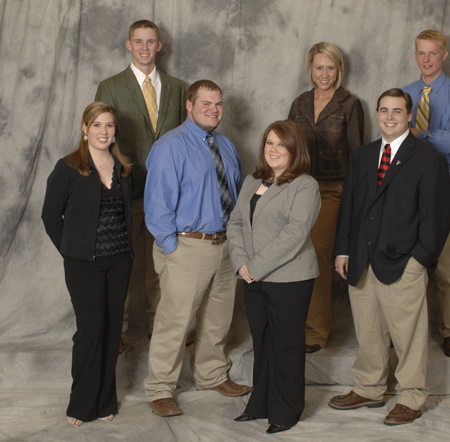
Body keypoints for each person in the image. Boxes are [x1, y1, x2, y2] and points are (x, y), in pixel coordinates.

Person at [328, 89, 450, 425]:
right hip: (361, 259)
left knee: (408, 335)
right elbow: (350, 208)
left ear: (409, 116)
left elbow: (437, 218)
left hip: (403, 263)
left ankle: (411, 396)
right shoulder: (362, 157)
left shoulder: (429, 160)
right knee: (368, 330)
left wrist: (419, 261)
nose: (389, 117)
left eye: (397, 111)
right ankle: (369, 388)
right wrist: (343, 249)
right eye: (384, 110)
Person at [143, 80, 250, 417]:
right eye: (206, 103)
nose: (213, 110)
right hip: (187, 245)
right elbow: (157, 205)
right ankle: (160, 388)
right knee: (174, 321)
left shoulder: (227, 145)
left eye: (218, 104)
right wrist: (171, 247)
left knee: (218, 319)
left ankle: (211, 374)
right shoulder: (170, 146)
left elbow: (235, 195)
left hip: (224, 244)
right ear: (189, 106)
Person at [95, 20, 187, 349]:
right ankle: (115, 332)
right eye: (139, 41)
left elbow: (185, 140)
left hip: (167, 196)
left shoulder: (178, 88)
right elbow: (100, 140)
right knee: (121, 265)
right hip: (125, 193)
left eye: (151, 41)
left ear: (160, 46)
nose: (145, 47)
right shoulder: (110, 86)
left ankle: (159, 328)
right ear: (128, 45)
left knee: (162, 267)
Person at [41, 102, 133, 427]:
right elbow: (50, 216)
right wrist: (72, 251)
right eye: (97, 125)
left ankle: (105, 400)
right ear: (85, 128)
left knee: (111, 331)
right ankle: (81, 404)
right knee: (90, 331)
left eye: (109, 125)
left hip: (119, 261)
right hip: (84, 264)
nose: (103, 131)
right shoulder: (69, 167)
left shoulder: (123, 168)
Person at [227, 120, 321, 434]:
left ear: (295, 149)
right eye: (269, 143)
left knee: (286, 345)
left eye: (282, 144)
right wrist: (241, 262)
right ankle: (261, 404)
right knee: (263, 342)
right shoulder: (253, 179)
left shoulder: (305, 185)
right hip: (252, 276)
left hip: (289, 278)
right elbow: (236, 222)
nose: (274, 150)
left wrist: (255, 266)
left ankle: (286, 409)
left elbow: (295, 234)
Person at [288, 42, 364, 353]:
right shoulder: (300, 103)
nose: (324, 74)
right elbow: (288, 144)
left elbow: (358, 154)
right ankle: (325, 325)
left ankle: (315, 332)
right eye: (319, 67)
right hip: (300, 187)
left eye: (330, 68)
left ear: (339, 70)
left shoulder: (350, 104)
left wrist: (356, 198)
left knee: (316, 255)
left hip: (334, 190)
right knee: (296, 254)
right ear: (310, 69)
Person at [403, 29, 450, 358]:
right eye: (421, 53)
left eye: (433, 53)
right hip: (408, 188)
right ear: (415, 55)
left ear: (444, 55)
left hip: (444, 185)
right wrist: (418, 136)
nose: (426, 59)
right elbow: (395, 139)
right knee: (407, 260)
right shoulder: (404, 94)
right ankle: (403, 328)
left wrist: (417, 133)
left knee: (447, 263)